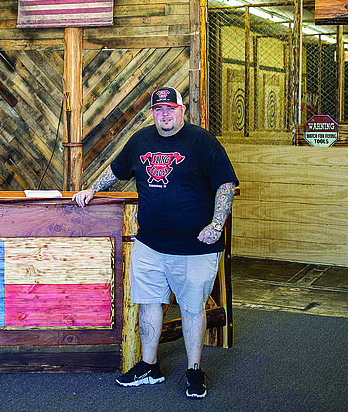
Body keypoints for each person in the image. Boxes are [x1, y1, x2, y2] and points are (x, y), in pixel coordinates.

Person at [72, 86, 237, 399]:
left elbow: (225, 184)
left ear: (182, 110)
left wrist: (217, 225)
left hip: (195, 246)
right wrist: (92, 189)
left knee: (191, 309)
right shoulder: (141, 140)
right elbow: (116, 169)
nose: (165, 114)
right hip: (150, 244)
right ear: (152, 112)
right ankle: (149, 367)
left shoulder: (202, 141)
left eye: (170, 108)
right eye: (159, 109)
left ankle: (194, 370)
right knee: (148, 304)